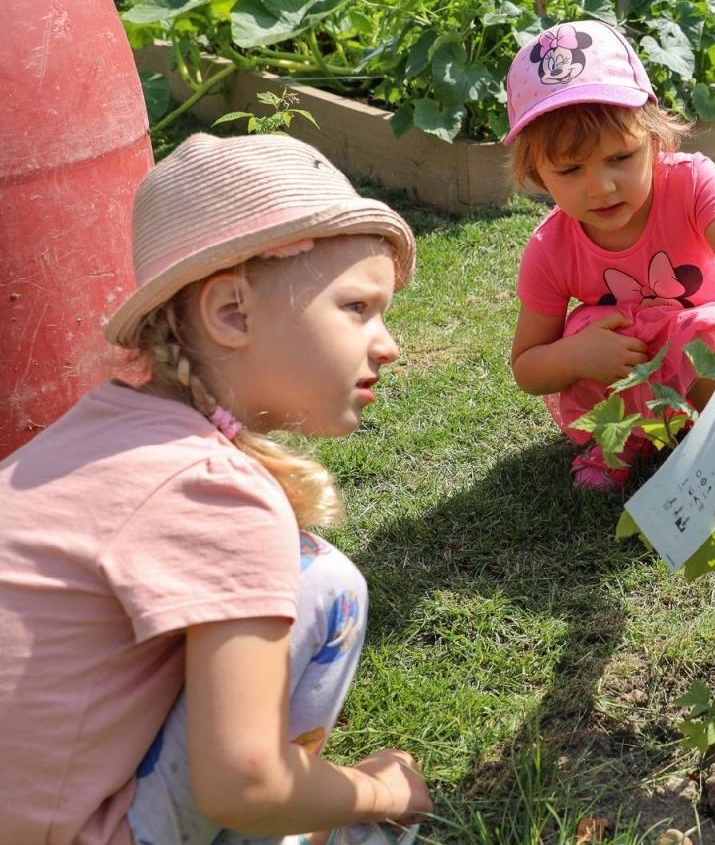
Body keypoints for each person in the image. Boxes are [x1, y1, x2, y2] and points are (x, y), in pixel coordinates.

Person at [0, 134, 433, 844]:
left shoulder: (91, 433)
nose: (388, 344)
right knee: (323, 581)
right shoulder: (218, 491)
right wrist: (381, 790)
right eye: (358, 308)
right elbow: (247, 784)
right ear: (232, 313)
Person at [505, 20, 715, 492]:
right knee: (586, 328)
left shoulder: (692, 184)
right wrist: (574, 356)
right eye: (570, 170)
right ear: (537, 174)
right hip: (630, 366)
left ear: (654, 139)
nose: (601, 187)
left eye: (620, 158)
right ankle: (623, 434)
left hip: (714, 359)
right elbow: (528, 366)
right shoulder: (550, 248)